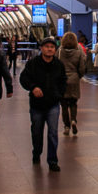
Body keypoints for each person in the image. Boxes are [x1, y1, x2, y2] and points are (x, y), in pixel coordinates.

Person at [19, 36, 67, 171]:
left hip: (53, 104)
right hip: (37, 105)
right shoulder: (33, 64)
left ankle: (52, 160)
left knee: (53, 132)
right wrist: (33, 87)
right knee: (36, 131)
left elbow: (63, 81)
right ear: (41, 48)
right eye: (47, 47)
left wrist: (59, 94)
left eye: (52, 47)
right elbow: (24, 78)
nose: (50, 49)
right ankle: (37, 152)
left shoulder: (58, 65)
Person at [58, 32, 87, 135]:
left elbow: (56, 66)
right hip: (74, 80)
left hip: (62, 80)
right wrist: (78, 76)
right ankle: (74, 120)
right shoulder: (78, 53)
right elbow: (82, 68)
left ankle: (66, 126)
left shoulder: (60, 52)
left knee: (64, 105)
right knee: (73, 103)